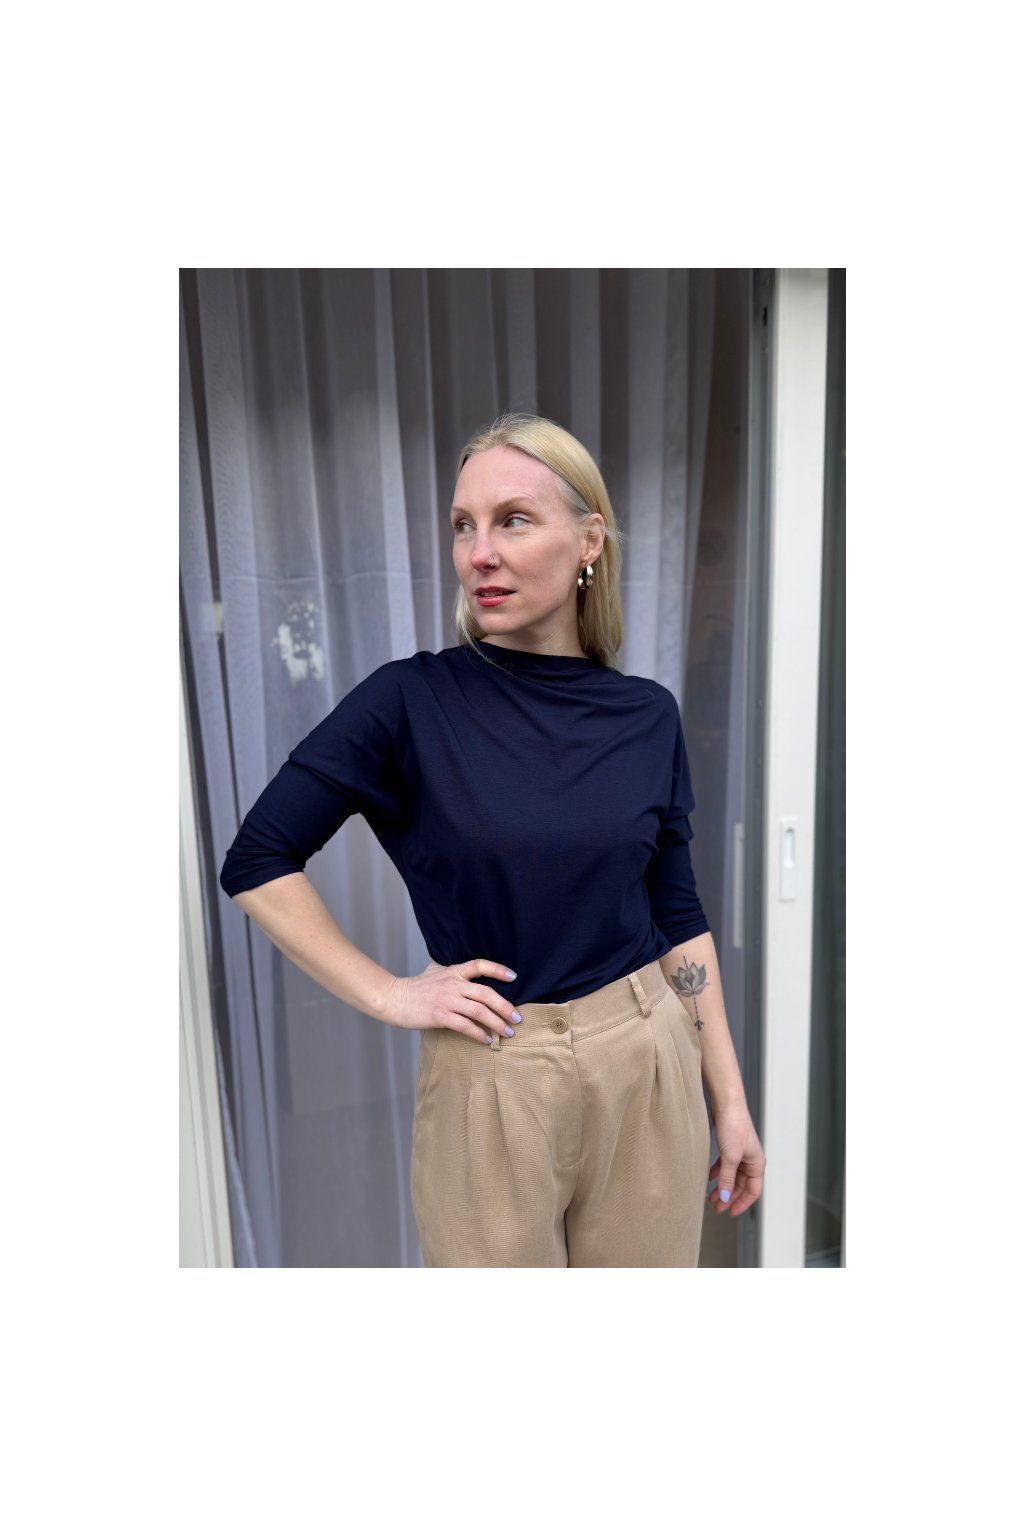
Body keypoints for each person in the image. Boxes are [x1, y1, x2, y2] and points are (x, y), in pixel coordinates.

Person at [219, 412, 766, 1267]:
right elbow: (257, 860)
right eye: (462, 525)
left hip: (647, 1058)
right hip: (493, 1073)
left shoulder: (646, 715)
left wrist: (727, 1098)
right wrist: (390, 994)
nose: (479, 553)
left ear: (589, 541)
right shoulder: (409, 702)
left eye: (513, 520)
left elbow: (677, 913)